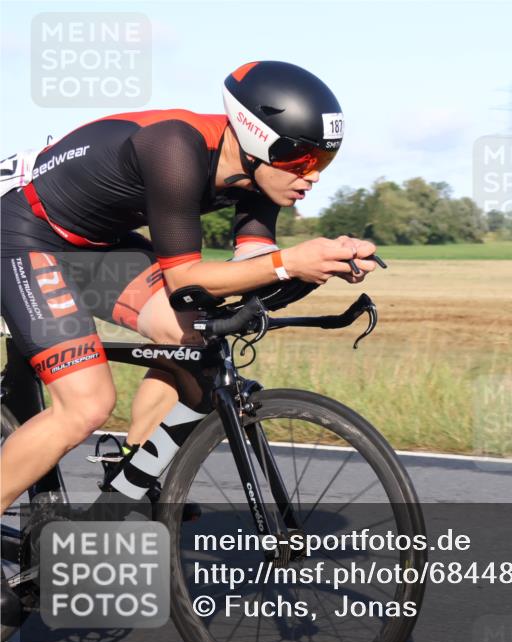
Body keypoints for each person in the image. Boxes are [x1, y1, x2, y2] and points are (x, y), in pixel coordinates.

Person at [0, 60, 377, 517]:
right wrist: (292, 261)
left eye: (323, 160)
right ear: (256, 138)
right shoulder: (175, 148)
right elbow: (185, 279)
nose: (313, 175)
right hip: (25, 231)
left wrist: (324, 263)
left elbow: (251, 272)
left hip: (99, 245)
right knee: (87, 405)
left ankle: (127, 482)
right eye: (302, 159)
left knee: (193, 339)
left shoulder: (261, 178)